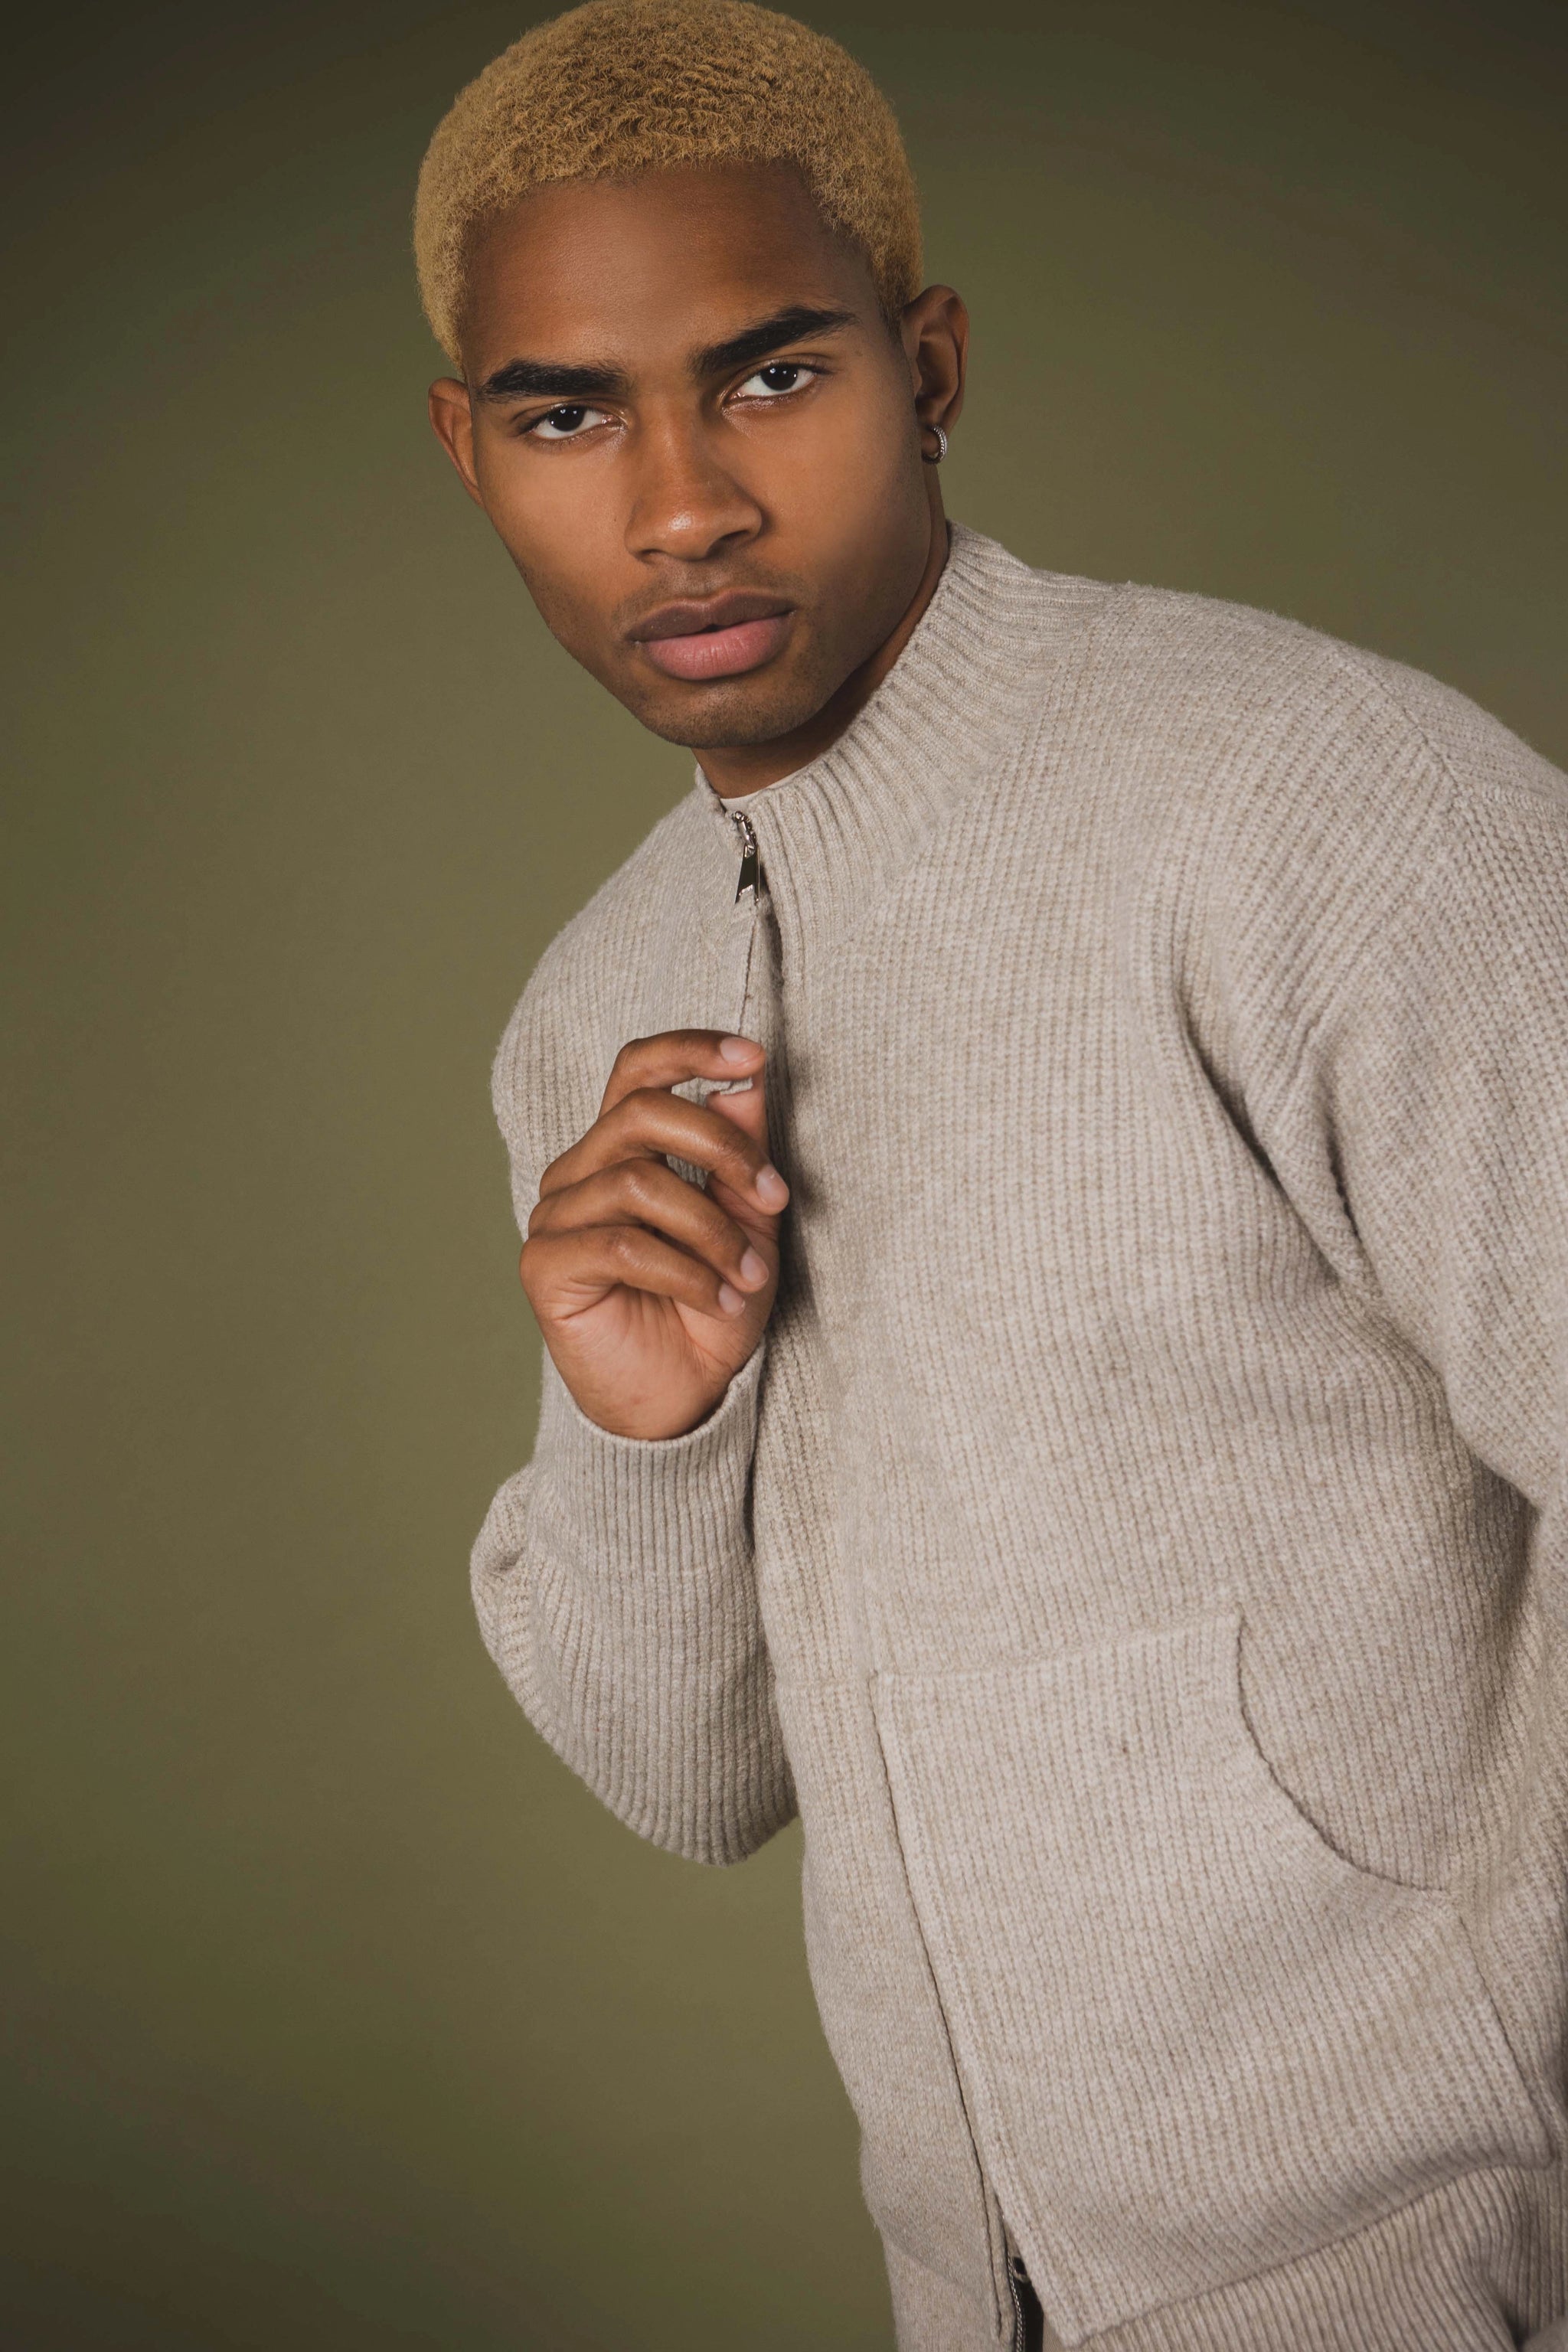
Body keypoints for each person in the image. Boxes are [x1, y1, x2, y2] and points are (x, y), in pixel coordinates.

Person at [416, 5, 1568, 2345]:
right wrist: (645, 1437)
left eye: (770, 376)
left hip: (1443, 2264)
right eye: (568, 414)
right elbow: (690, 1784)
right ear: (471, 451)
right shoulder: (594, 1006)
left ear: (927, 366)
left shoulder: (1303, 807)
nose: (680, 506)